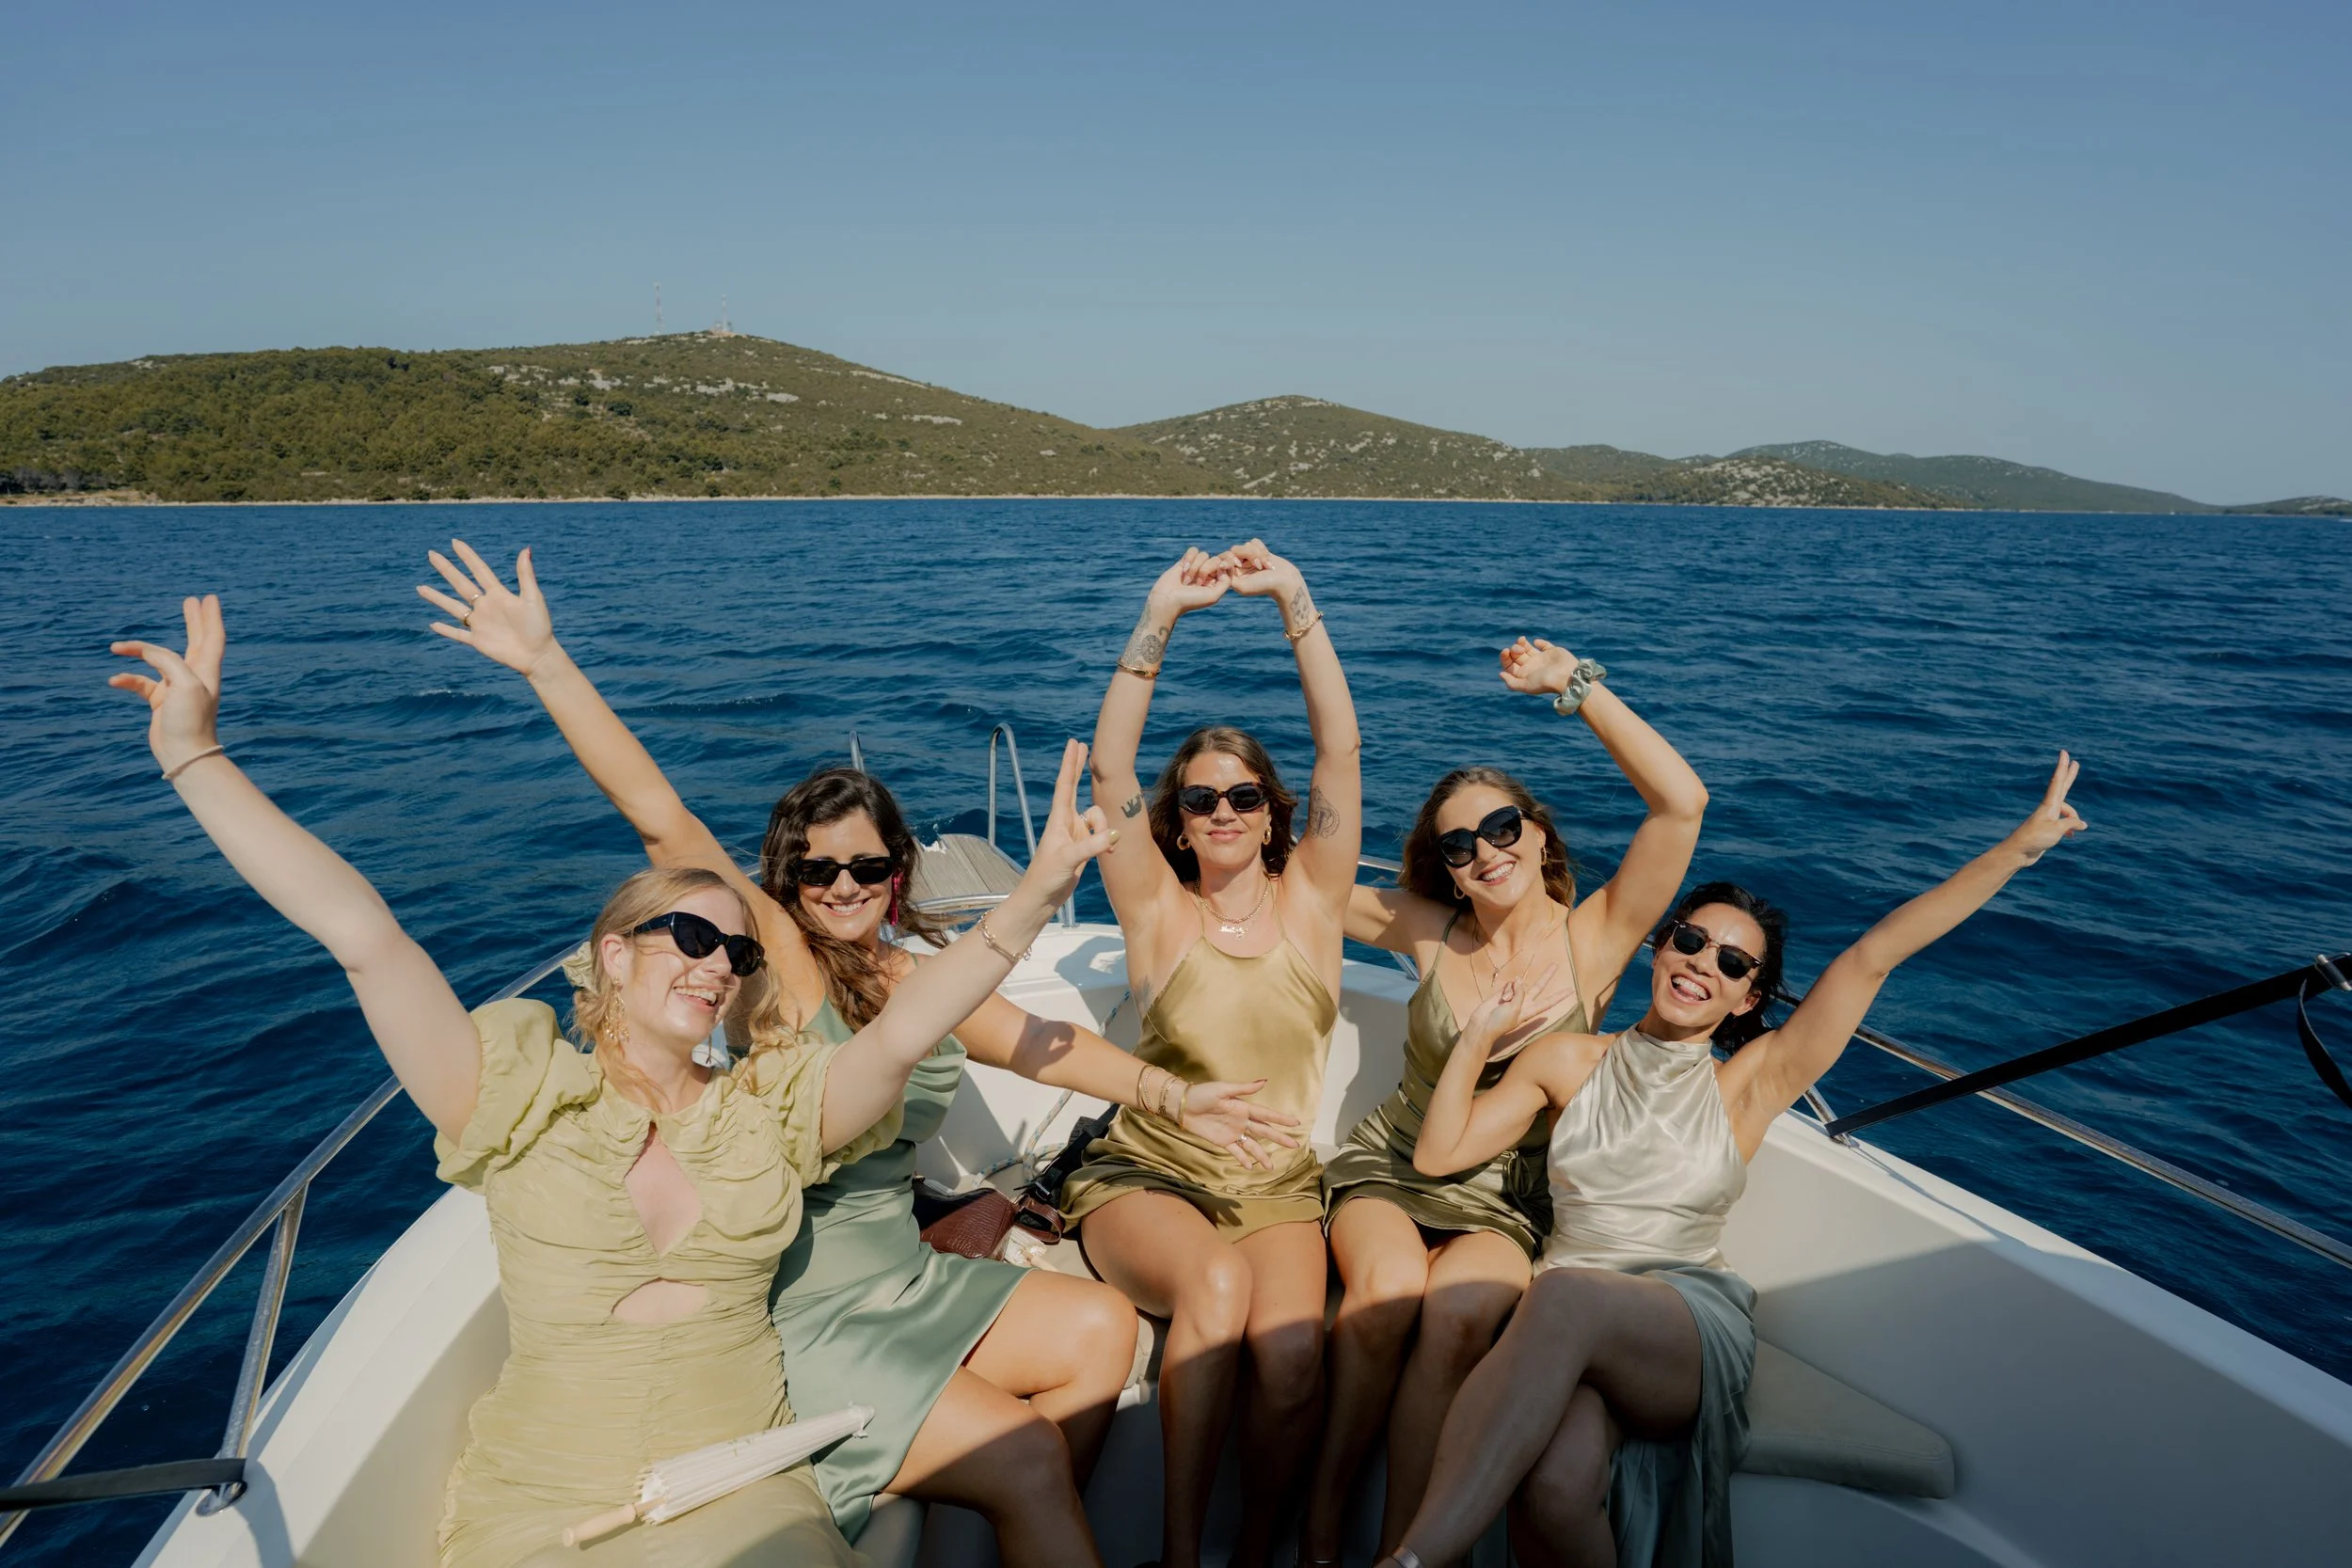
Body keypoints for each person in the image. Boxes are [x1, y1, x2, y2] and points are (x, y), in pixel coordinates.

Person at [107, 594, 1118, 1568]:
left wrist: (1032, 900)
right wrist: (194, 758)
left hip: (743, 1475)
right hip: (549, 1493)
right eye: (686, 932)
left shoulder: (767, 1120)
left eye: (734, 947)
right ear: (614, 955)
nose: (717, 958)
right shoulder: (513, 1101)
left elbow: (902, 1033)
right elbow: (365, 937)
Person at [416, 542, 1301, 1562]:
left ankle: (1026, 1528)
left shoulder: (911, 978)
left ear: (897, 875)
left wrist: (1172, 1095)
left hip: (904, 1270)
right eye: (817, 865)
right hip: (810, 1298)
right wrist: (546, 664)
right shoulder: (776, 963)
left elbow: (1041, 1043)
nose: (841, 884)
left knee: (1104, 1331)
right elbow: (659, 815)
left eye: (868, 866)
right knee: (1025, 1456)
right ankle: (1027, 1503)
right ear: (787, 874)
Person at [1378, 754, 2088, 1568]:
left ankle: (1408, 1561)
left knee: (1562, 1296)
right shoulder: (1567, 1059)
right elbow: (1437, 1154)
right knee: (1556, 1485)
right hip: (1565, 1317)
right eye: (1689, 939)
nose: (1702, 963)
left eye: (1733, 963)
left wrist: (2018, 849)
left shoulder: (1748, 1084)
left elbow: (1872, 956)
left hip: (1681, 1320)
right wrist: (1475, 1039)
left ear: (1748, 999)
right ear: (1659, 948)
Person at [1304, 639, 1707, 1564]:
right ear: (1443, 868)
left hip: (1510, 1192)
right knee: (1387, 1292)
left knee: (1453, 1317)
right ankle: (1321, 1530)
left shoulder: (1596, 938)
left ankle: (1404, 1548)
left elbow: (1681, 805)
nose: (1483, 851)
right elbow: (1310, 884)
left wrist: (1575, 688)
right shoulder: (1426, 927)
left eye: (1499, 828)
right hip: (1393, 1164)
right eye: (1458, 843)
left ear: (1536, 835)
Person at [1059, 541, 1363, 1568]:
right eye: (1200, 800)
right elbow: (1108, 769)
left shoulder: (1314, 903)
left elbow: (1341, 756)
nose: (1223, 812)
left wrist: (1297, 600)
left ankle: (1255, 1550)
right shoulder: (1152, 908)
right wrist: (1158, 618)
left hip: (1275, 1186)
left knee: (1291, 1357)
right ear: (1176, 824)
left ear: (1275, 814)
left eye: (1243, 797)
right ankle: (1182, 1553)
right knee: (1219, 1294)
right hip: (1147, 1171)